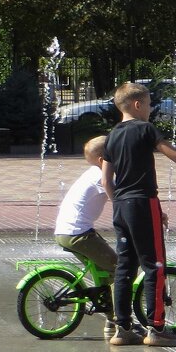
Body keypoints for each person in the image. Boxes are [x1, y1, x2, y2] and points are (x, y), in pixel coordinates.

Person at [103, 81, 176, 347]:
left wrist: (121, 204)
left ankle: (122, 329)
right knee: (155, 266)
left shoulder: (112, 135)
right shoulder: (145, 129)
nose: (151, 109)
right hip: (143, 203)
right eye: (149, 104)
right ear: (137, 104)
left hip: (121, 207)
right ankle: (156, 329)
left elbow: (105, 182)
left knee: (125, 268)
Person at [54, 134, 117, 338]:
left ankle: (110, 321)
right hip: (78, 234)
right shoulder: (101, 176)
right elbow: (120, 198)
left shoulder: (92, 171)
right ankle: (121, 319)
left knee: (102, 272)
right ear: (103, 159)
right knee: (120, 267)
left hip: (66, 231)